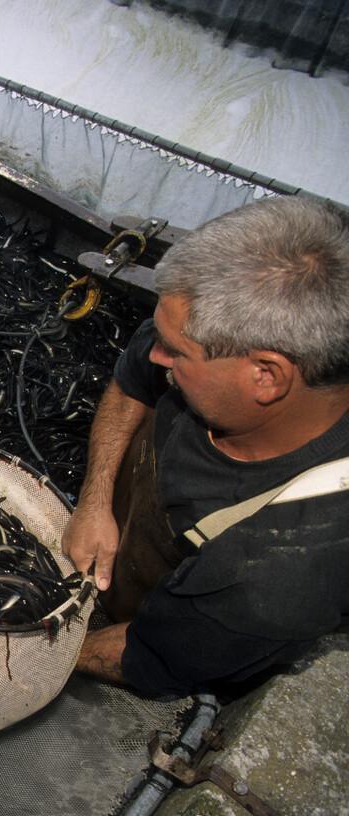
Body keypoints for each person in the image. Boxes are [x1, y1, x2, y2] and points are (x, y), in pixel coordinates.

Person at [64, 195, 349, 698]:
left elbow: (151, 657)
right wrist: (95, 500)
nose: (156, 353)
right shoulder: (210, 330)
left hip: (152, 636)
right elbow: (133, 378)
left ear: (266, 376)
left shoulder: (275, 575)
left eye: (175, 352)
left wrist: (44, 649)